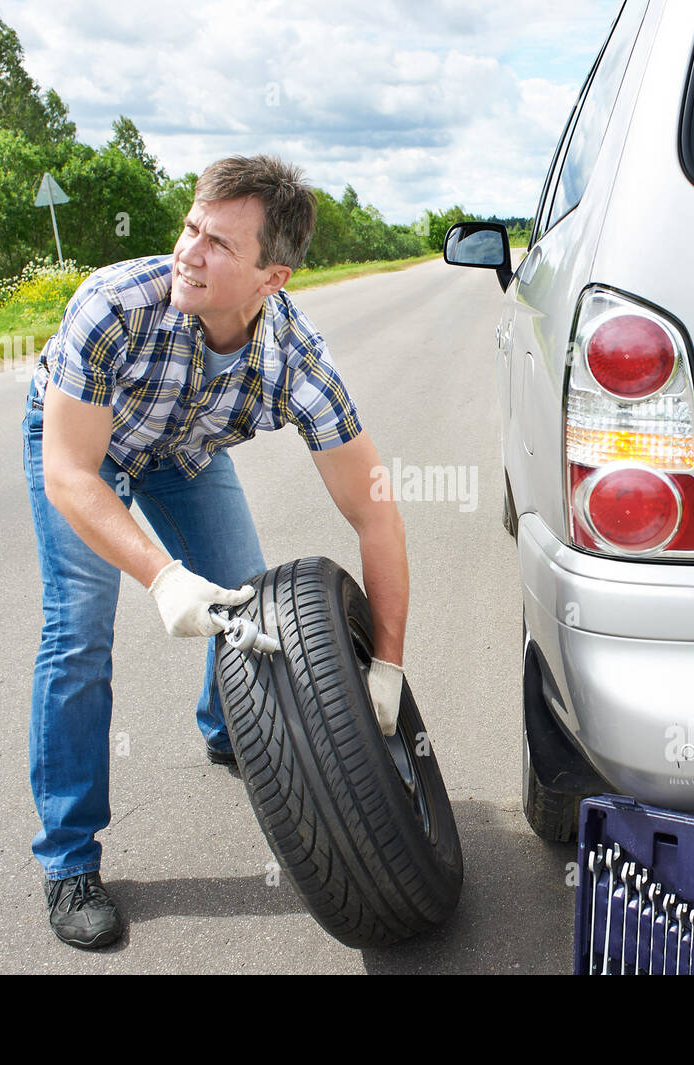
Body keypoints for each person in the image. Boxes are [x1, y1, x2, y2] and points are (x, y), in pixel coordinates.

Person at [20, 154, 409, 950]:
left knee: (242, 591)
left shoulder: (297, 358)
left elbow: (375, 516)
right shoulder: (115, 304)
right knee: (80, 634)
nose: (189, 252)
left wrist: (390, 664)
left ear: (274, 277)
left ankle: (229, 721)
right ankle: (68, 860)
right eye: (191, 227)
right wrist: (161, 576)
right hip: (85, 448)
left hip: (185, 448)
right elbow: (67, 471)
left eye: (219, 245)